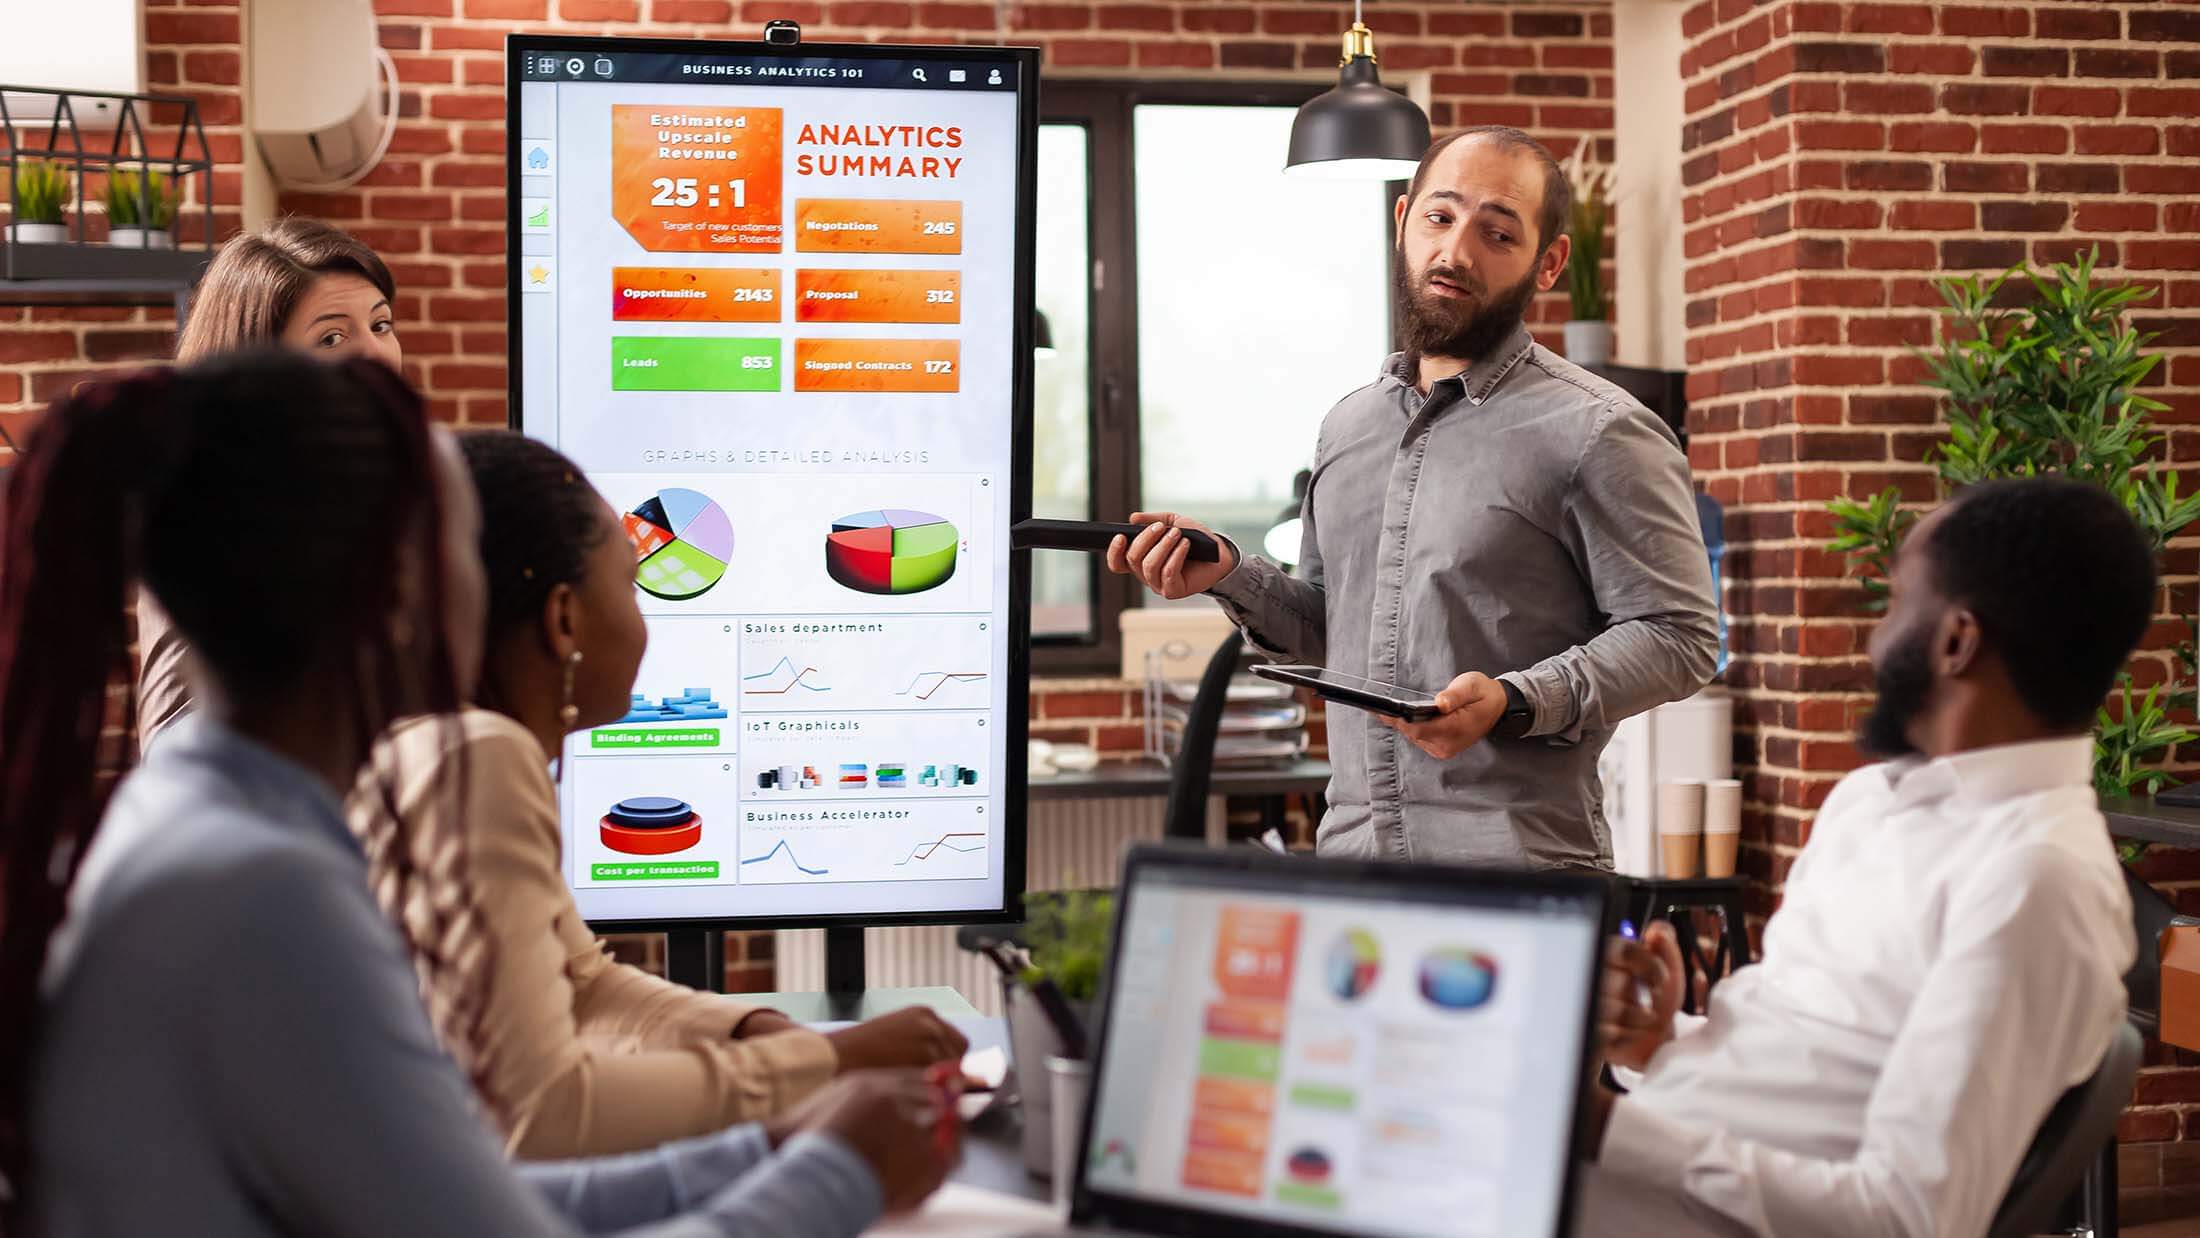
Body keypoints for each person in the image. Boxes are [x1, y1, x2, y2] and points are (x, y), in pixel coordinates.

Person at [3, 354, 952, 1235]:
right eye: (466, 544)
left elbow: (461, 1189)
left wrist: (767, 1148)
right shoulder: (264, 891)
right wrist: (840, 1171)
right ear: (402, 591)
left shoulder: (199, 820)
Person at [1108, 126, 1719, 869]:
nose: (1456, 252)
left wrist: (1516, 698)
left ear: (1549, 263)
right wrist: (1231, 574)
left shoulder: (1599, 430)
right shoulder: (1348, 427)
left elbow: (1681, 635)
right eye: (1440, 218)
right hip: (1354, 869)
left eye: (1497, 232)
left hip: (1516, 880)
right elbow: (1339, 637)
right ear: (1402, 222)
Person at [350, 429, 969, 1159]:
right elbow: (541, 1116)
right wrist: (829, 1062)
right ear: (564, 618)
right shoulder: (482, 757)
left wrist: (758, 1031)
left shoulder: (431, 741)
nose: (647, 619)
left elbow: (581, 983)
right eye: (633, 584)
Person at [1583, 477, 2148, 1237]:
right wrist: (1663, 1044)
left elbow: (1903, 1219)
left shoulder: (2037, 880)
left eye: (1894, 605)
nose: (1876, 640)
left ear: (1955, 642)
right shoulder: (1869, 802)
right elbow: (1813, 1067)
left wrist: (1600, 1132)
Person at [136, 217, 404, 751]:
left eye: (380, 325)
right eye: (331, 337)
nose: (376, 355)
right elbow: (175, 742)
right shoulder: (206, 515)